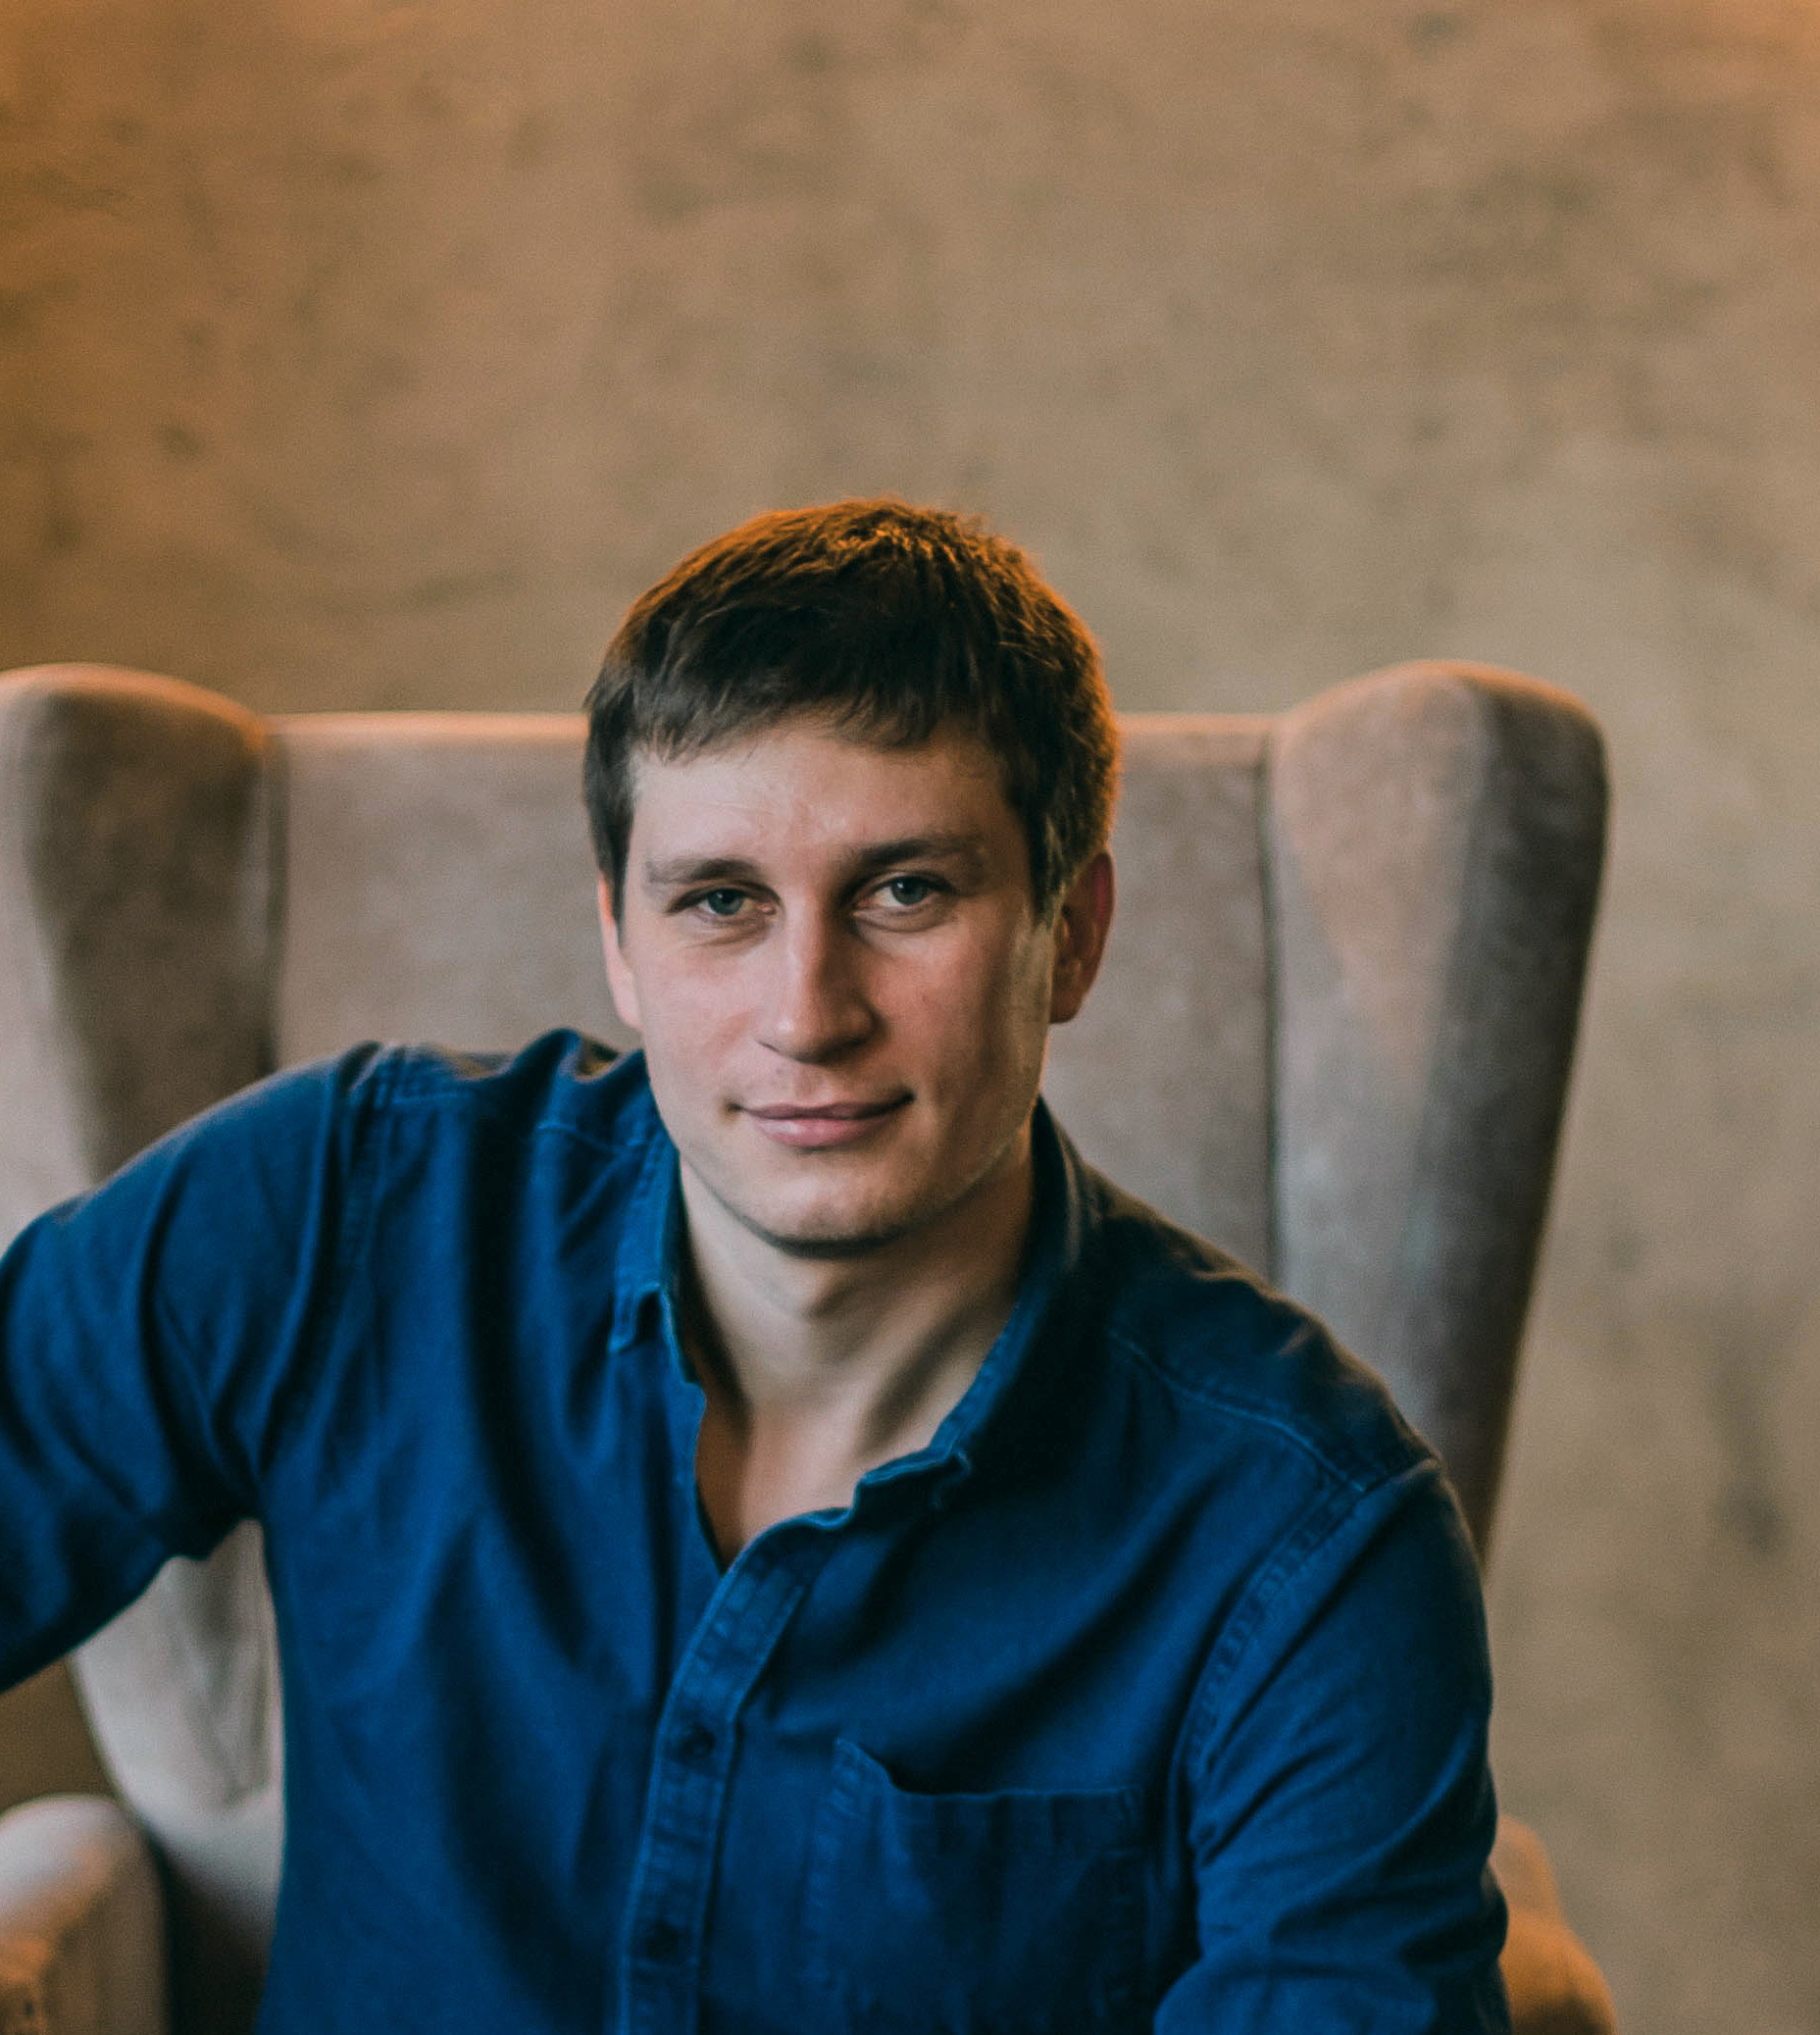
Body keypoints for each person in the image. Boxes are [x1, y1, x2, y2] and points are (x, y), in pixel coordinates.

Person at [0, 500, 1507, 2032]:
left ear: (1072, 932)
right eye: (722, 902)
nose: (807, 1014)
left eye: (906, 891)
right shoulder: (342, 1213)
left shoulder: (1308, 1532)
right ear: (620, 941)